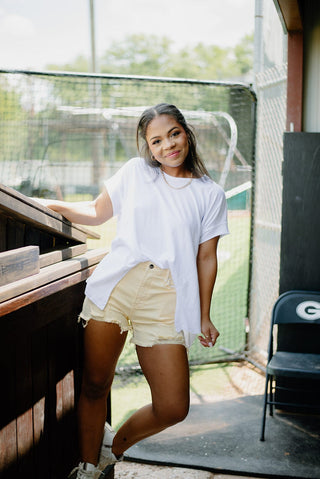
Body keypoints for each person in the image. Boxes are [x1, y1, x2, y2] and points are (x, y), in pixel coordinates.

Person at [42, 103, 229, 479]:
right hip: (116, 287)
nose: (167, 146)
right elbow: (96, 212)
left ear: (186, 133)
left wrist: (204, 314)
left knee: (173, 406)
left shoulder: (210, 194)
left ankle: (115, 446)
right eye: (156, 140)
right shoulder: (136, 172)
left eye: (173, 134)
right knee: (95, 383)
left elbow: (206, 258)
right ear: (148, 146)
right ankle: (88, 468)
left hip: (166, 297)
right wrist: (43, 205)